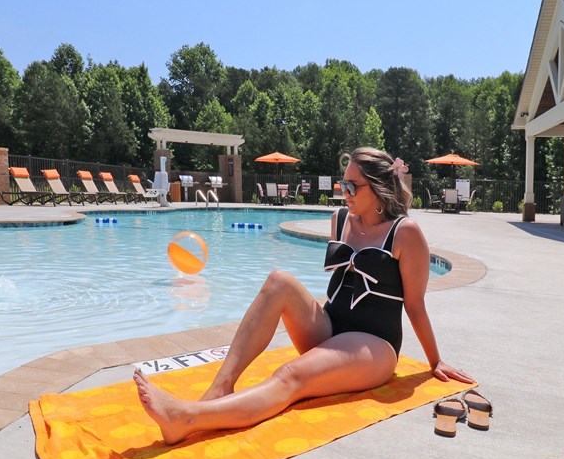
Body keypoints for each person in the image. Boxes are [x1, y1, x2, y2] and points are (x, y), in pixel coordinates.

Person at [135, 147, 475, 444]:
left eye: (352, 185)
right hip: (329, 329)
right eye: (343, 183)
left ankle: (187, 419)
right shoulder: (340, 219)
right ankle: (222, 386)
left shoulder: (405, 233)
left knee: (289, 375)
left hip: (374, 346)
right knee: (278, 280)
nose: (345, 192)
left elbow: (415, 306)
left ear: (379, 188)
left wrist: (435, 361)